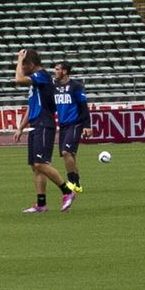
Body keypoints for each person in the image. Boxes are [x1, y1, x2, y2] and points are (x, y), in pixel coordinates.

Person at [13, 49, 80, 213]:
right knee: (35, 168)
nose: (22, 67)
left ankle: (67, 191)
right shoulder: (36, 82)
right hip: (36, 124)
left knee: (41, 163)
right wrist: (21, 127)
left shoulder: (42, 75)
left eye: (24, 65)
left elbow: (18, 79)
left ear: (30, 64)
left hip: (44, 124)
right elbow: (32, 106)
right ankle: (41, 204)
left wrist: (19, 59)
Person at [52, 61, 90, 194]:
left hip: (75, 123)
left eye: (57, 69)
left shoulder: (76, 86)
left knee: (66, 152)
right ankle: (78, 183)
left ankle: (71, 182)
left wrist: (87, 125)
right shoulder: (54, 86)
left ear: (65, 71)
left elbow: (83, 106)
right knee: (71, 155)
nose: (55, 71)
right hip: (63, 125)